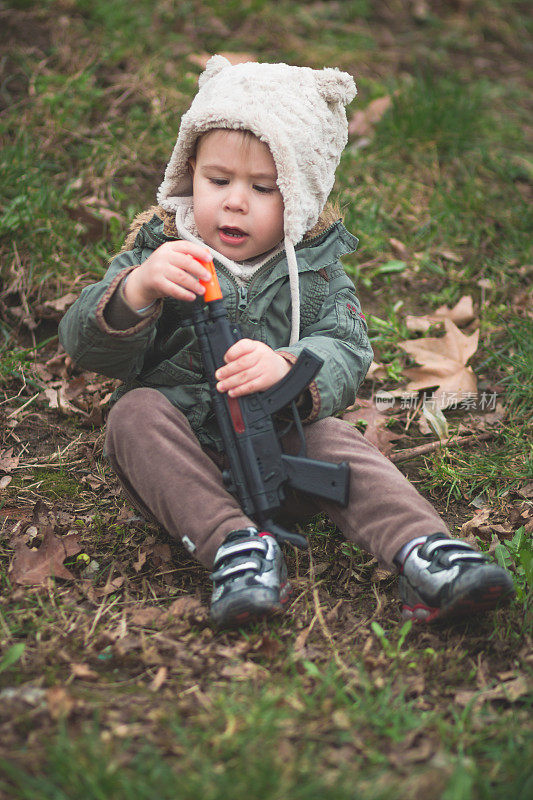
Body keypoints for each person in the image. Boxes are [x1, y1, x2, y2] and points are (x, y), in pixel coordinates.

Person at [59, 56, 514, 629]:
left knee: (339, 441)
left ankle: (426, 551)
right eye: (217, 180)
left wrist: (290, 366)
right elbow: (84, 345)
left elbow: (349, 348)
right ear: (188, 173)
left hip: (285, 449)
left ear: (300, 196)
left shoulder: (318, 272)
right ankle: (236, 550)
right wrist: (137, 289)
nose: (234, 202)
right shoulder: (161, 255)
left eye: (263, 188)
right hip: (185, 469)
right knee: (133, 413)